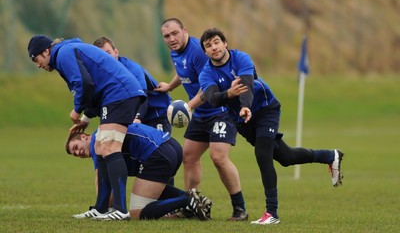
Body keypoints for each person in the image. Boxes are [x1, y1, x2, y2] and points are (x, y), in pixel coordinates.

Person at [198, 28, 344, 225]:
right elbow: (213, 99)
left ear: (225, 43)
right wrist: (229, 95)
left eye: (216, 42)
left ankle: (272, 213)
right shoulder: (206, 73)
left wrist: (244, 106)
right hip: (243, 121)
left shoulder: (241, 58)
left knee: (262, 154)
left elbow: (248, 85)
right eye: (208, 46)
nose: (213, 47)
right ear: (205, 52)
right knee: (286, 157)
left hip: (266, 109)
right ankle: (330, 156)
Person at [27, 35, 146, 220]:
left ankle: (121, 210)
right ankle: (101, 208)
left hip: (120, 93)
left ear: (45, 51)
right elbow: (92, 85)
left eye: (36, 59)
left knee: (109, 147)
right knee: (99, 147)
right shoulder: (65, 52)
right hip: (114, 95)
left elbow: (83, 83)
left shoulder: (63, 53)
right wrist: (86, 118)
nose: (37, 64)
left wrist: (77, 110)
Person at [156, 18, 248, 220]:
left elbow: (208, 89)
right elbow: (184, 72)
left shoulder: (198, 51)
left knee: (219, 157)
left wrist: (188, 107)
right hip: (200, 114)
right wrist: (170, 87)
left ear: (184, 30)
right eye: (167, 36)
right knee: (188, 156)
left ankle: (240, 208)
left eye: (175, 34)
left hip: (220, 110)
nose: (171, 39)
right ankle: (190, 206)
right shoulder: (176, 51)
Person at [66, 123, 213, 221]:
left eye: (76, 147)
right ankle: (193, 200)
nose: (78, 153)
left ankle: (187, 200)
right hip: (171, 146)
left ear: (84, 136)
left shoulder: (97, 140)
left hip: (159, 153)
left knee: (137, 213)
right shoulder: (108, 128)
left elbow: (101, 179)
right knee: (146, 187)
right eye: (74, 154)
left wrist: (102, 208)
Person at [93, 36, 172, 134]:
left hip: (156, 114)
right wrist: (85, 119)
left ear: (116, 52)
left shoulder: (133, 69)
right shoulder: (102, 75)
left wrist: (137, 119)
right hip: (132, 116)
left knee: (157, 147)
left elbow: (143, 97)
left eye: (108, 53)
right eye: (101, 56)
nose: (106, 58)